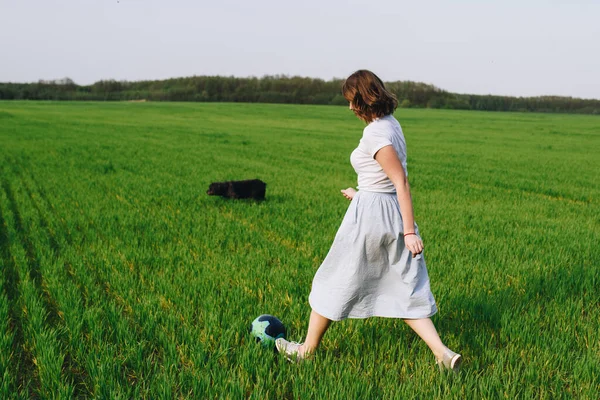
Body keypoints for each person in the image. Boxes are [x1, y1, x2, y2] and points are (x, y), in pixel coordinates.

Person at [275, 70, 462, 372]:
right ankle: (443, 353)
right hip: (384, 209)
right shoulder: (391, 124)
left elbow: (400, 181)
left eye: (352, 101)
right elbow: (384, 180)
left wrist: (410, 231)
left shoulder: (375, 133)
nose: (350, 108)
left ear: (364, 99)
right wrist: (360, 192)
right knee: (404, 289)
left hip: (374, 218)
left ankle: (306, 352)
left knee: (331, 282)